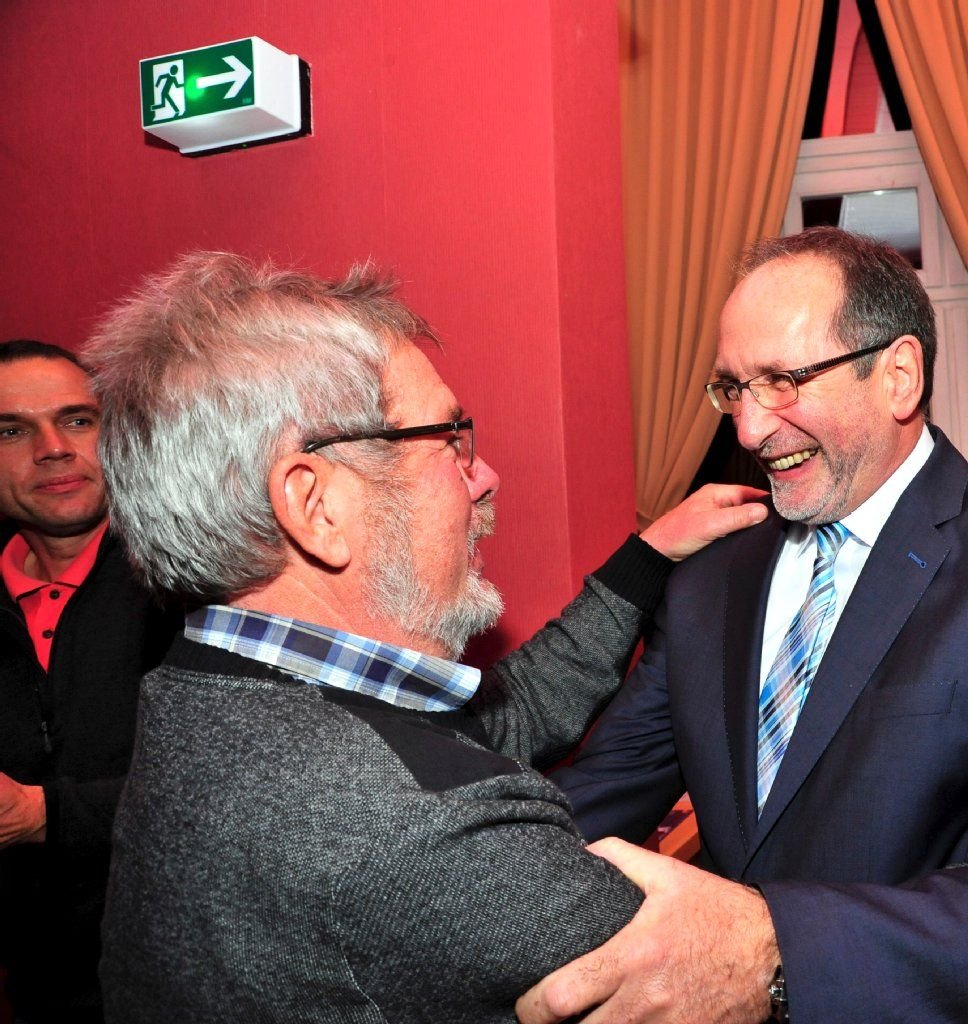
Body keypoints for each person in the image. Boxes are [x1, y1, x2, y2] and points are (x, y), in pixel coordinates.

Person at [82, 252, 764, 1024]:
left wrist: (647, 559)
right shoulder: (427, 828)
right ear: (315, 504)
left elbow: (493, 724)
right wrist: (762, 948)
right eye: (448, 438)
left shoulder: (202, 688)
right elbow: (708, 984)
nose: (484, 476)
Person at [520, 227, 968, 1024]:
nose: (748, 430)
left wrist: (774, 951)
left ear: (898, 376)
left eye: (782, 381)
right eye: (732, 389)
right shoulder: (713, 576)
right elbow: (596, 799)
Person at [0, 339, 179, 1024]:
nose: (52, 448)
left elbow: (248, 784)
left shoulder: (192, 582)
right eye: (12, 430)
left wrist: (44, 814)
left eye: (77, 420)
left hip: (188, 987)